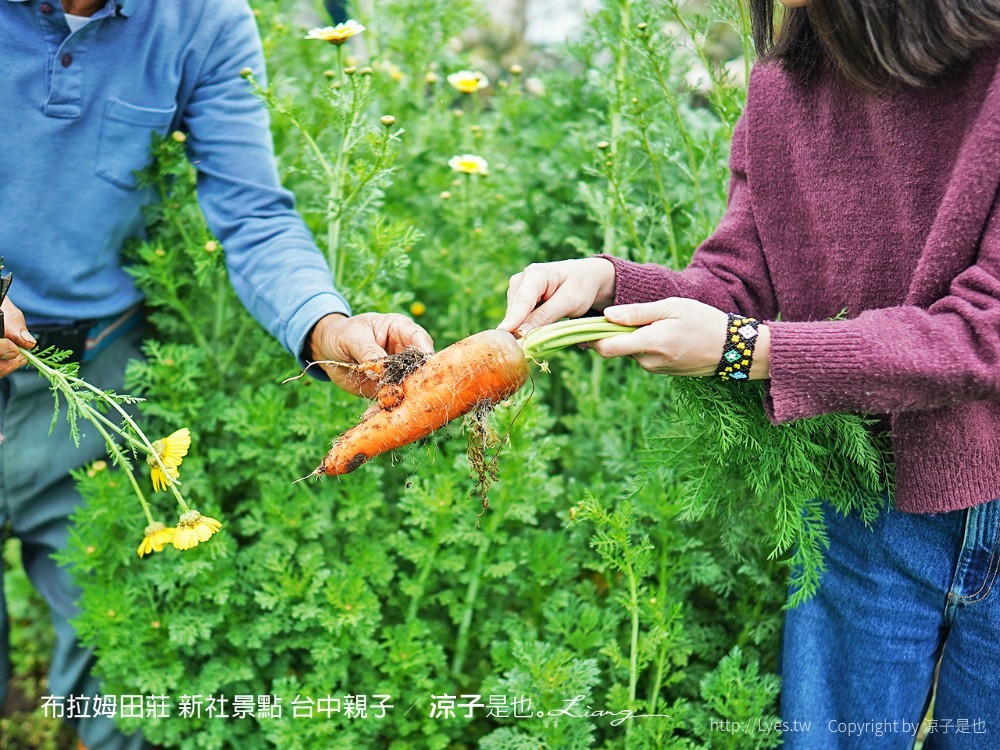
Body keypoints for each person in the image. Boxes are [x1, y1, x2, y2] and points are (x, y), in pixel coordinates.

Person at [500, 0, 1000, 747]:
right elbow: (738, 284)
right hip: (863, 497)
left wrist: (747, 349)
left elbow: (983, 334)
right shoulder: (787, 78)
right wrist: (607, 283)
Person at [0, 1, 432, 748]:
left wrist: (325, 328)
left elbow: (253, 212)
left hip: (95, 381)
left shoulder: (201, 17)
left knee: (118, 665)